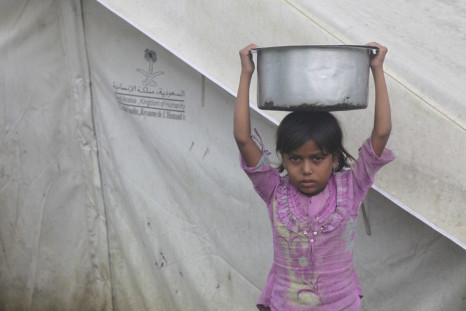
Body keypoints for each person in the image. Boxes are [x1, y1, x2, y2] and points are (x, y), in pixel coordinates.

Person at [234, 43, 395, 310]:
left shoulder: (351, 186)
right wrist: (246, 73)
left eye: (317, 159)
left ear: (333, 158)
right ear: (283, 158)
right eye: (295, 159)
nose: (306, 169)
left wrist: (377, 69)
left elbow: (381, 134)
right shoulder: (274, 190)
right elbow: (242, 138)